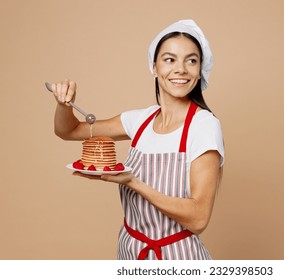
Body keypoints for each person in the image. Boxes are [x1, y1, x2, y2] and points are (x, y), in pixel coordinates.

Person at [51, 19, 224, 260]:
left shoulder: (203, 126)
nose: (181, 69)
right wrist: (63, 105)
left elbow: (199, 218)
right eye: (170, 59)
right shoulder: (140, 121)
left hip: (177, 257)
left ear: (199, 70)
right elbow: (69, 131)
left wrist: (134, 182)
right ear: (154, 67)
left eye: (191, 60)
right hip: (131, 251)